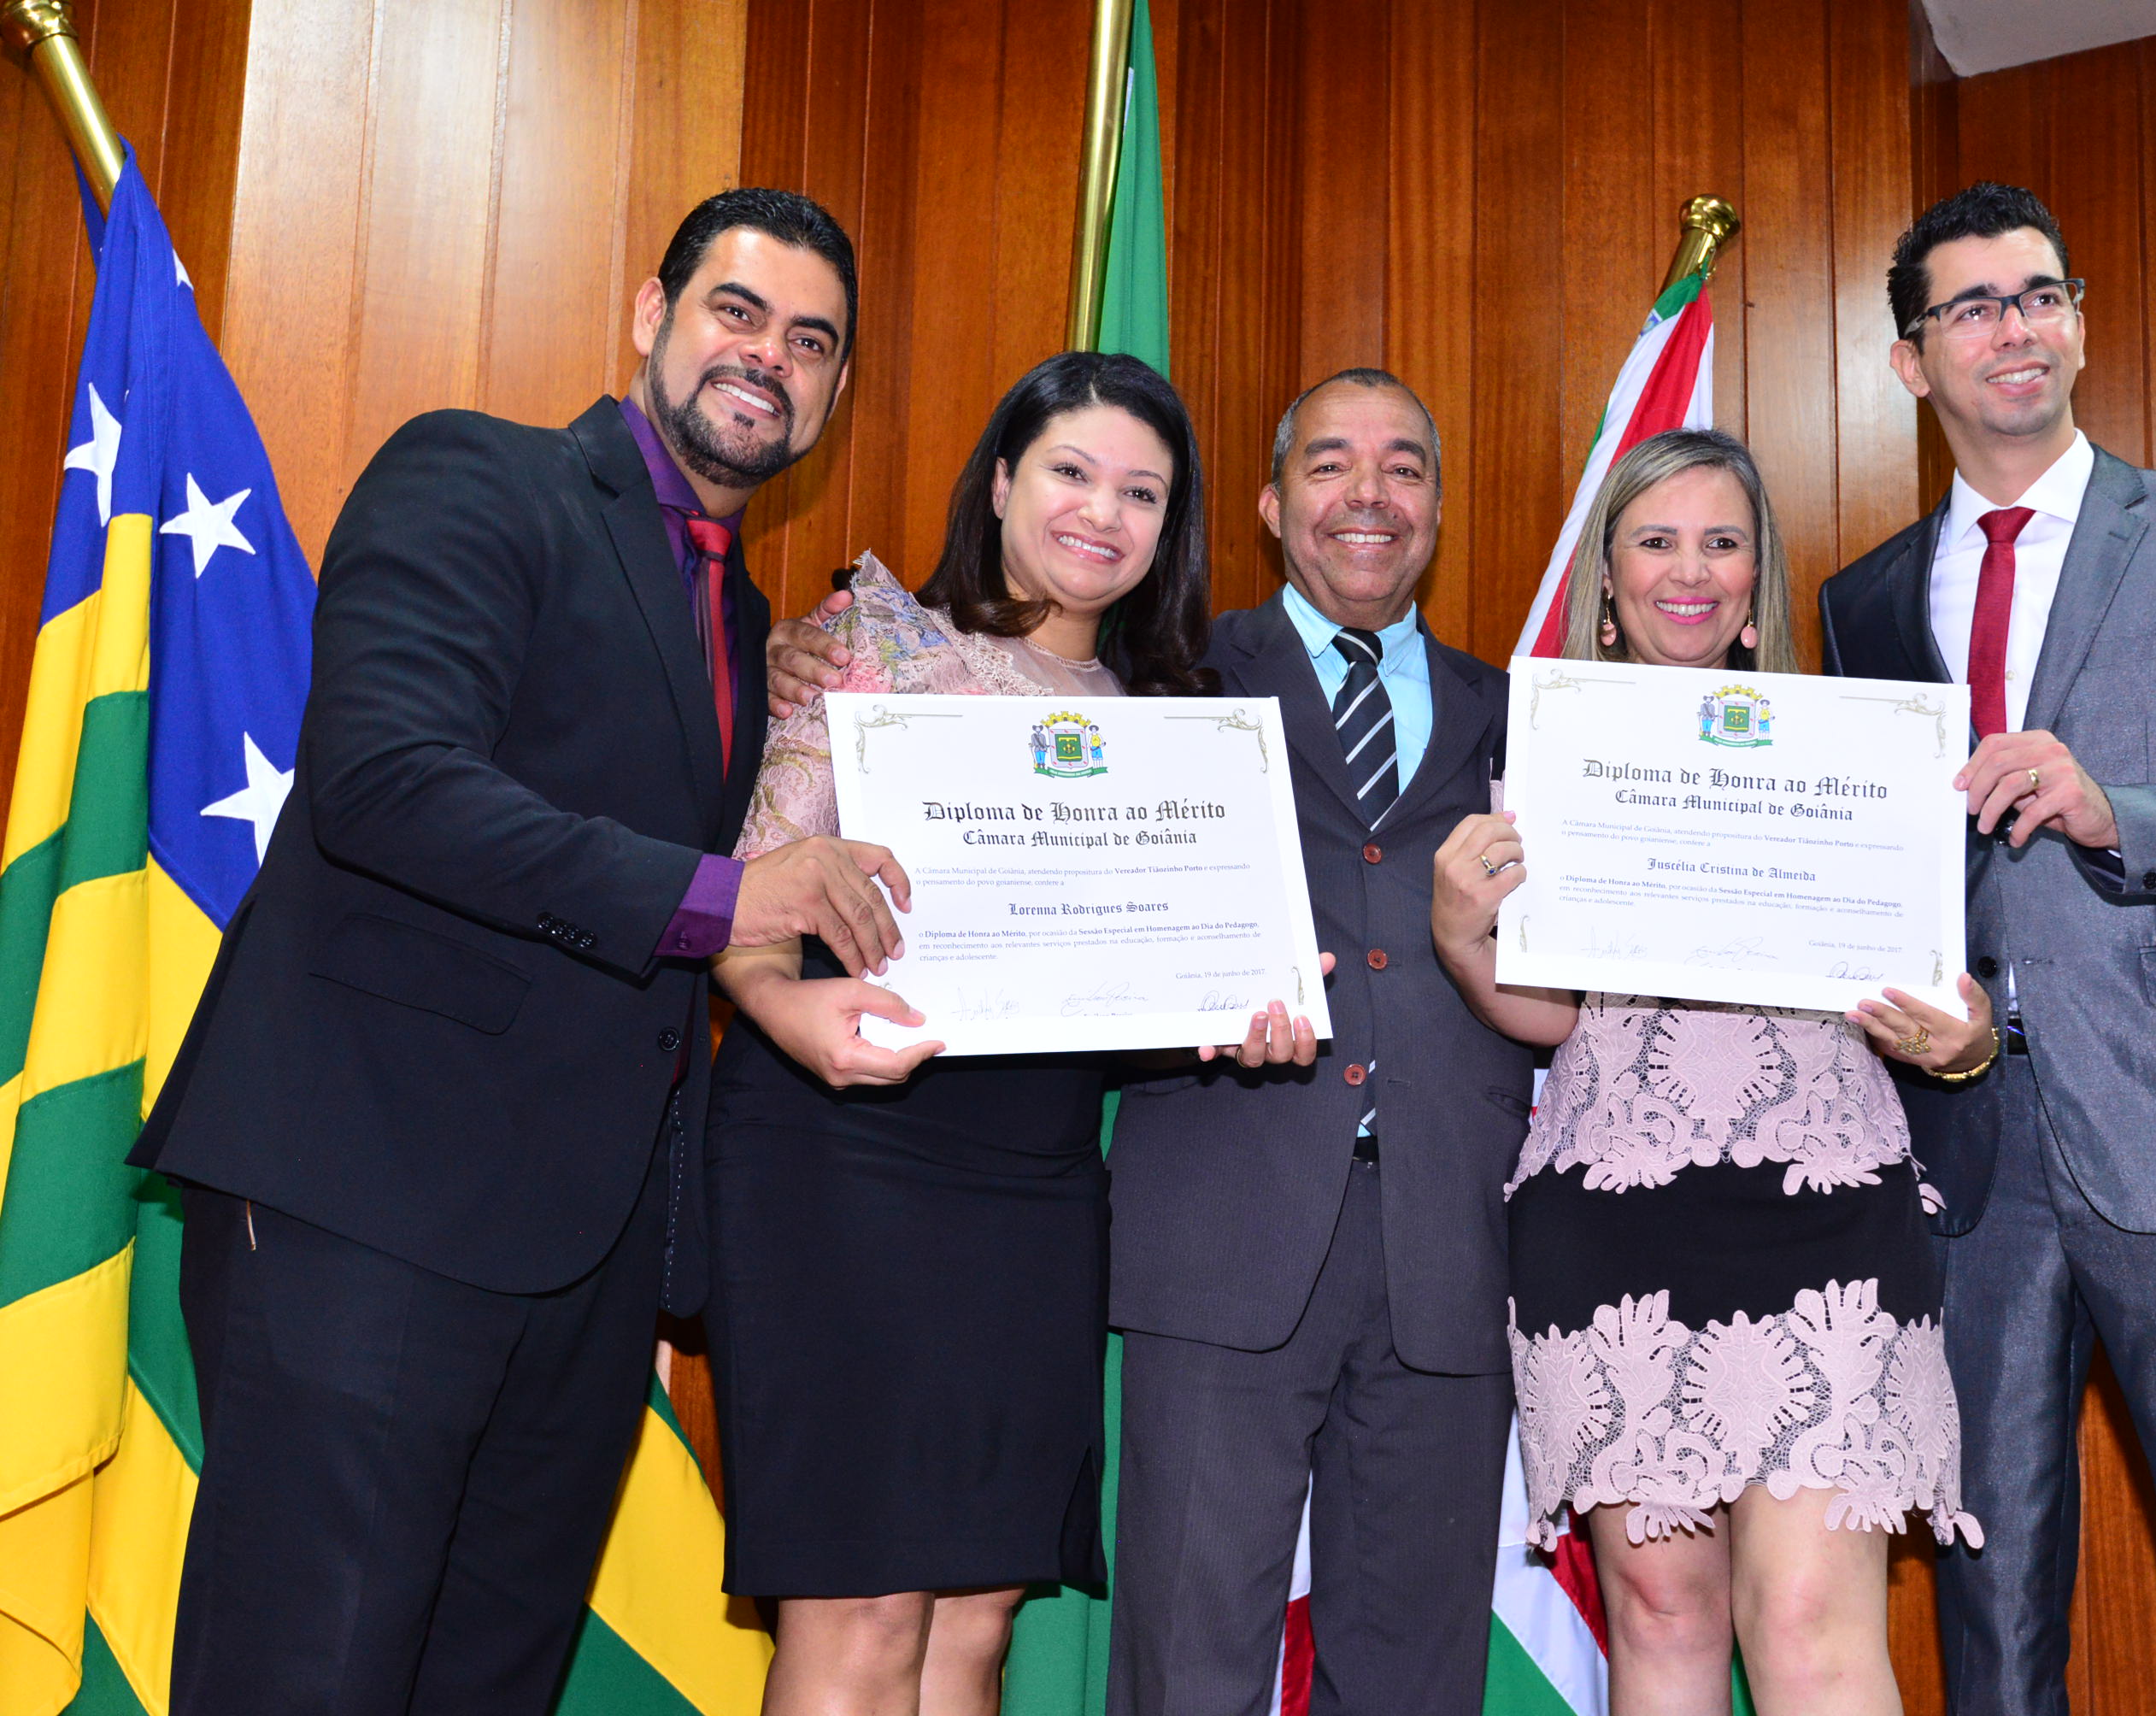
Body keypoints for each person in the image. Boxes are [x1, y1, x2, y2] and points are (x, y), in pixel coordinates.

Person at [128, 188, 913, 1713]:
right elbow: (386, 782)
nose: (770, 356)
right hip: (373, 1198)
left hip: (584, 1256)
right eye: (738, 312)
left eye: (812, 342)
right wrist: (728, 900)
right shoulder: (477, 475)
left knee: (489, 1682)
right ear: (652, 314)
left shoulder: (741, 616)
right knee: (306, 1676)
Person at [768, 367, 1532, 1714]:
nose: (1369, 494)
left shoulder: (1528, 714)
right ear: (1268, 505)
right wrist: (804, 657)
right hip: (1221, 1234)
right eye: (1330, 463)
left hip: (1450, 1243)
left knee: (1418, 1677)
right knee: (1184, 1666)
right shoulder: (1162, 681)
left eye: (1405, 466)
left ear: (1437, 505)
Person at [1818, 182, 2156, 1715]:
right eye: (1975, 306)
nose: (2017, 327)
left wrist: (2117, 811)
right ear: (1911, 360)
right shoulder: (1863, 599)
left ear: (2075, 326)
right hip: (1962, 1163)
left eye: (2042, 295)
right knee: (1991, 1631)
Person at [707, 350, 1319, 1716]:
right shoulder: (871, 647)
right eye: (1071, 472)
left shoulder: (1180, 729)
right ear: (999, 483)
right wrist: (784, 1010)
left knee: (977, 1617)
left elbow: (1136, 998)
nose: (1103, 512)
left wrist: (1241, 1009)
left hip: (1035, 1188)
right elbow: (751, 911)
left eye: (1142, 493)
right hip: (840, 1158)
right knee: (861, 1607)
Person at [1430, 428, 1986, 1716]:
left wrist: (1956, 1034)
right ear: (1609, 578)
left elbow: (1924, 984)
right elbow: (1556, 1017)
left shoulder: (1858, 755)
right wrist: (1464, 942)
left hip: (1826, 1206)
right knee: (1664, 1616)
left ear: (1756, 581)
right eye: (1657, 541)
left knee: (1810, 1623)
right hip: (1614, 1214)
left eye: (1722, 542)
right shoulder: (1547, 758)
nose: (1690, 570)